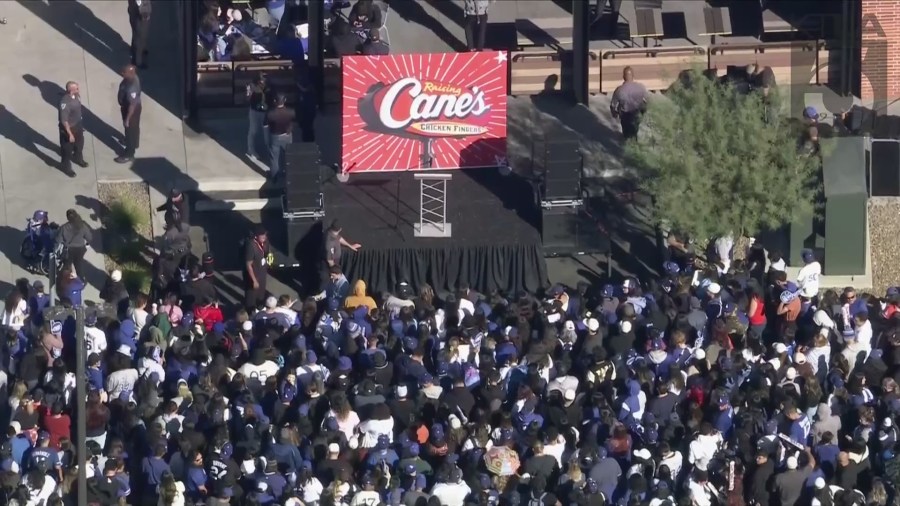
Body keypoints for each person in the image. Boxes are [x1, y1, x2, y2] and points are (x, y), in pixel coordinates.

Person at [58, 81, 88, 177]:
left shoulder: (76, 96)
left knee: (79, 145)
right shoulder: (65, 103)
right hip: (69, 129)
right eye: (77, 88)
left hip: (78, 125)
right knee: (67, 150)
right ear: (71, 91)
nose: (79, 90)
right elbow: (64, 120)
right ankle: (66, 167)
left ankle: (78, 158)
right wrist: (70, 134)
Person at [610, 66, 649, 140]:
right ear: (633, 76)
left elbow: (613, 105)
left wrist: (614, 114)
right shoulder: (641, 87)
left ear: (624, 77)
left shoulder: (619, 90)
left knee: (627, 134)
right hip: (637, 113)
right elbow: (648, 100)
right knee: (634, 130)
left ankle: (628, 142)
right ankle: (634, 141)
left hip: (625, 116)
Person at [115, 65, 143, 164]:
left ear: (130, 73)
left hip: (132, 111)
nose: (121, 73)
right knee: (134, 128)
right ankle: (134, 143)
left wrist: (127, 119)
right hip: (128, 107)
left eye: (124, 72)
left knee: (130, 129)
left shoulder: (132, 87)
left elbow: (132, 105)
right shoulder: (132, 78)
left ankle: (129, 154)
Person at [55, 209, 92, 279]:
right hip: (80, 249)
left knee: (67, 265)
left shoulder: (64, 227)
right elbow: (89, 237)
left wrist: (55, 249)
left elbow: (58, 240)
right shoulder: (82, 225)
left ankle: (64, 280)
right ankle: (81, 281)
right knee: (78, 265)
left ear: (67, 217)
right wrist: (87, 244)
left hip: (68, 250)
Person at [266, 93, 295, 180]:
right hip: (287, 136)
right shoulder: (290, 112)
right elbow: (292, 122)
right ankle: (290, 174)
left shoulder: (271, 114)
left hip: (275, 137)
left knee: (274, 158)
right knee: (289, 156)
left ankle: (274, 176)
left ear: (275, 101)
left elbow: (267, 125)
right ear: (285, 101)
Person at [243, 224, 271, 311]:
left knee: (261, 294)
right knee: (251, 296)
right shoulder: (251, 246)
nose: (264, 237)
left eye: (265, 234)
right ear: (256, 236)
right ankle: (250, 311)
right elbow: (248, 264)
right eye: (261, 235)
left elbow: (267, 252)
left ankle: (260, 307)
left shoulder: (265, 242)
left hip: (262, 272)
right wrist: (254, 280)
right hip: (254, 275)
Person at [246, 73, 269, 161]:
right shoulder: (252, 86)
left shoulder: (267, 86)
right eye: (261, 79)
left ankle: (268, 149)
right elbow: (247, 98)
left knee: (266, 131)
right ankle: (251, 150)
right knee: (253, 130)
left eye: (264, 79)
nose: (263, 81)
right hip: (254, 111)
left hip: (265, 111)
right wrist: (248, 93)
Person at [127, 0, 152, 69]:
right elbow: (139, 4)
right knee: (140, 36)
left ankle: (135, 50)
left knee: (136, 33)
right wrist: (143, 11)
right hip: (141, 13)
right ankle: (138, 61)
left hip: (135, 9)